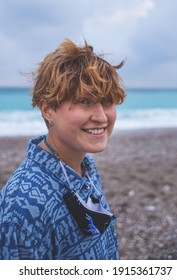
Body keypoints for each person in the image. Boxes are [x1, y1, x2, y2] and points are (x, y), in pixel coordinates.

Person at [0, 38, 126, 259]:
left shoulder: (84, 165)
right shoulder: (23, 206)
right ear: (48, 110)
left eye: (107, 101)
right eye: (85, 101)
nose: (101, 116)